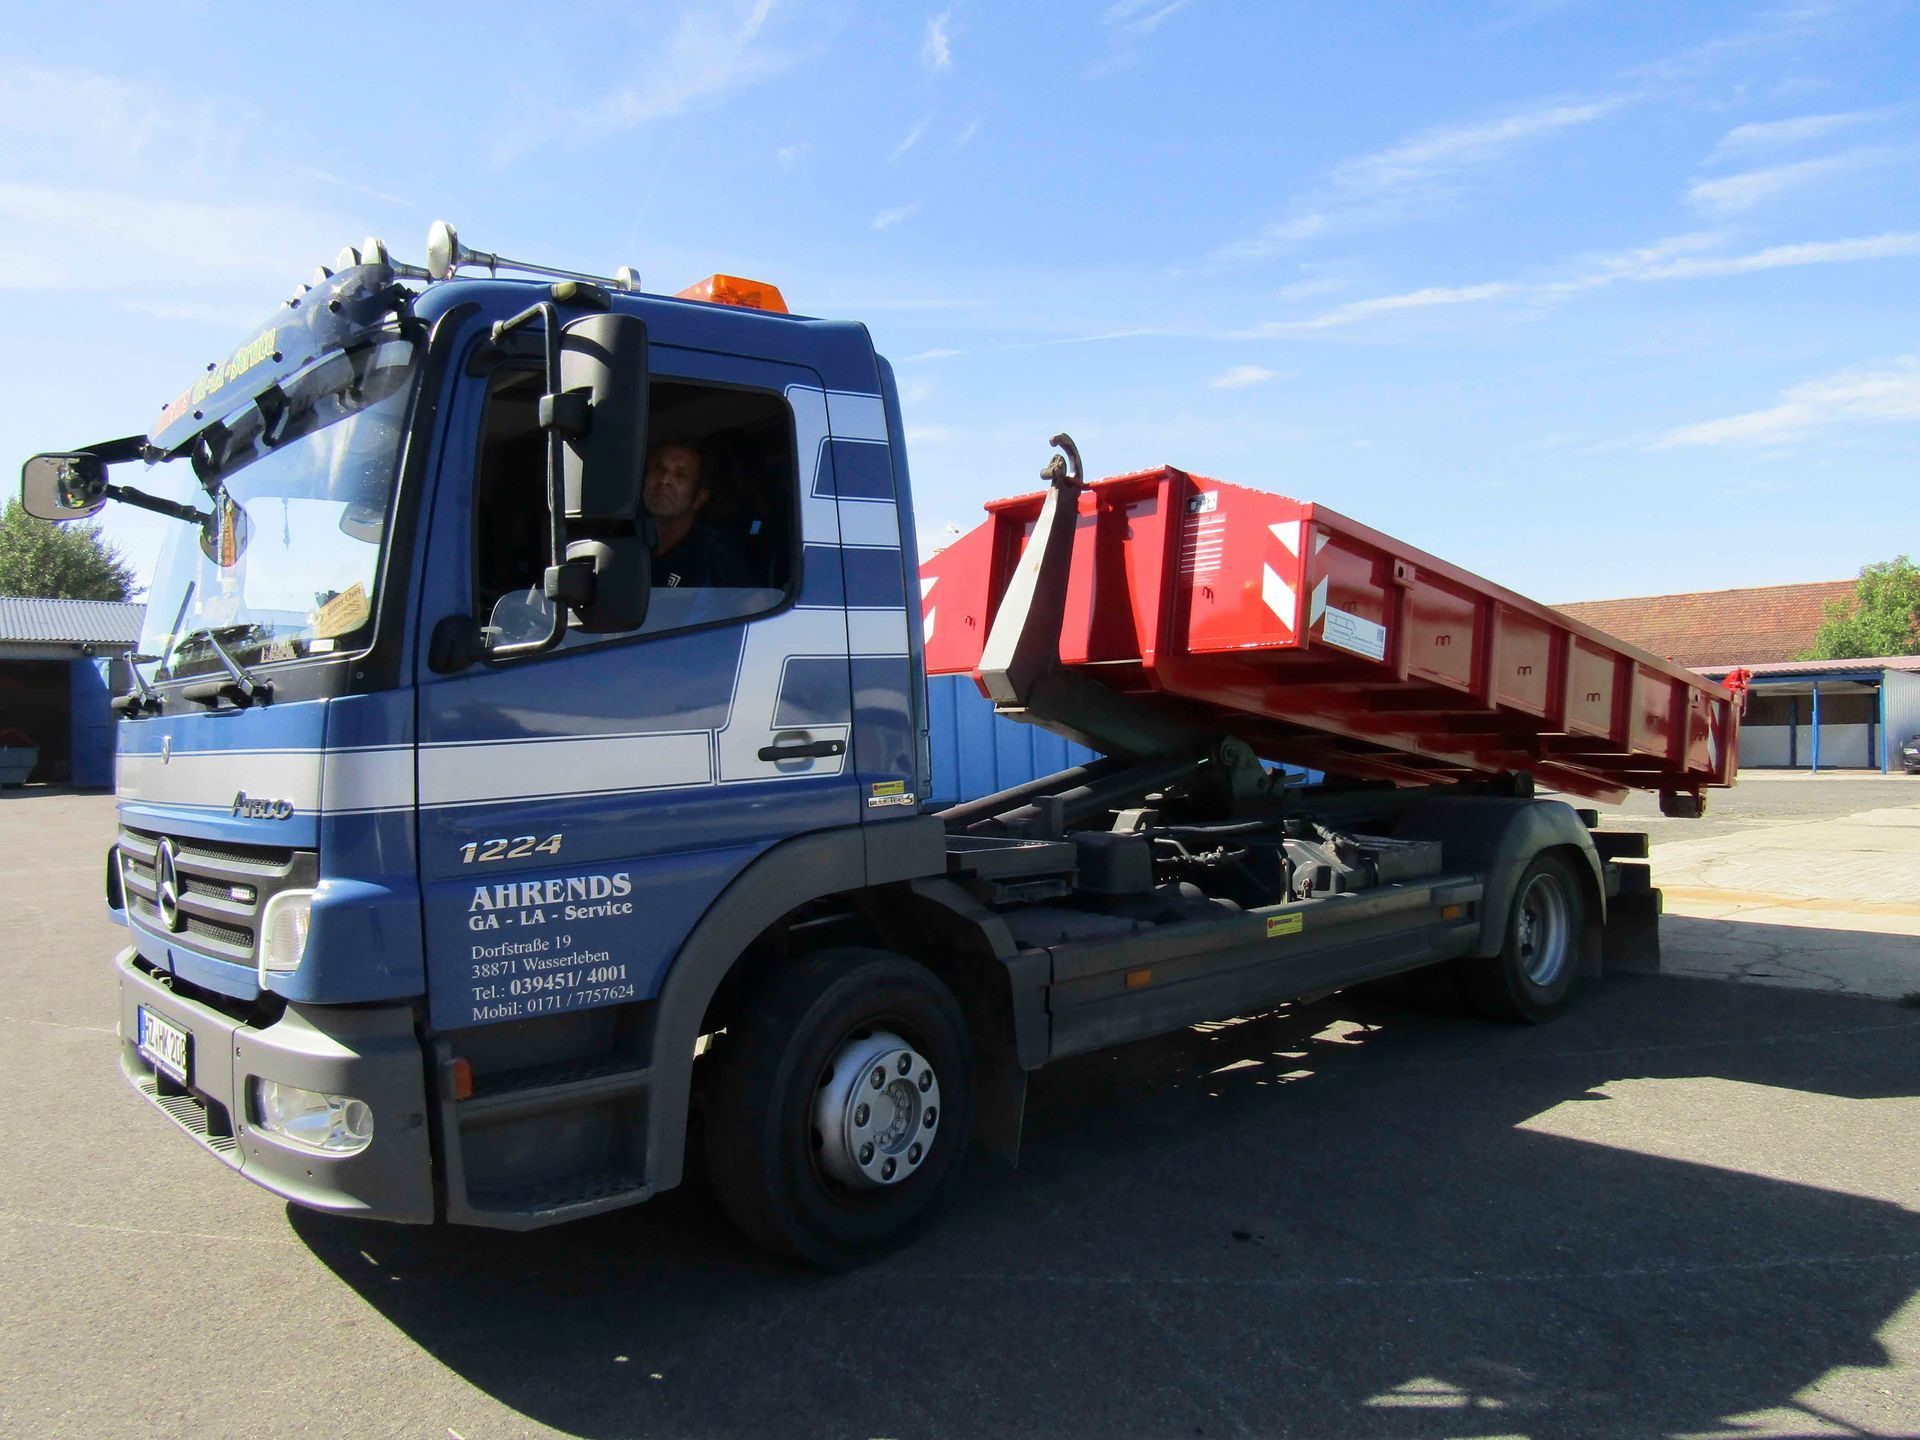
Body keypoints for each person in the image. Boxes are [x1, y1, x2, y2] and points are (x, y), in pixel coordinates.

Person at [642, 435, 753, 589]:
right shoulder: (629, 540)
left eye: (680, 474)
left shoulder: (716, 553)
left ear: (699, 498)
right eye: (659, 469)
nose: (664, 479)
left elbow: (754, 605)